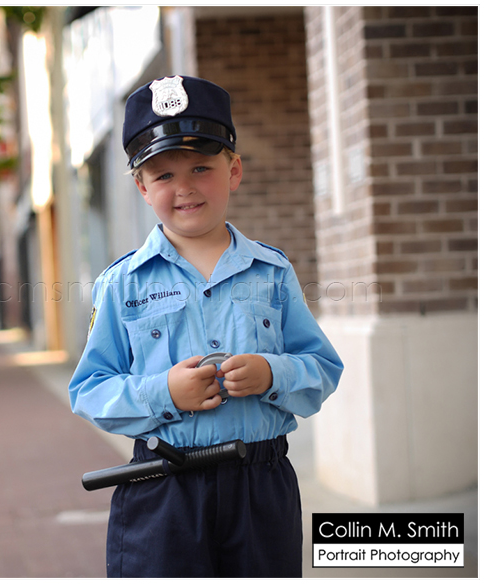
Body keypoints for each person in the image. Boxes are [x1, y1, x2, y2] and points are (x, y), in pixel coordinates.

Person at [68, 75, 343, 578]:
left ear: (233, 170)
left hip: (260, 487)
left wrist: (273, 373)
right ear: (142, 187)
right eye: (163, 175)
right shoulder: (121, 283)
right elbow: (89, 390)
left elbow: (322, 367)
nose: (185, 187)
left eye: (201, 167)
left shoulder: (272, 272)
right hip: (163, 489)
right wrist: (164, 392)